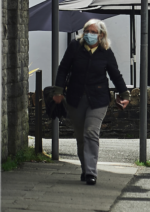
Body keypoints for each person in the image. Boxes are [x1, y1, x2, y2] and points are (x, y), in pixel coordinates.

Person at [52, 19, 130, 185]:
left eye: (93, 32)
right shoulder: (75, 47)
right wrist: (58, 90)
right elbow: (63, 69)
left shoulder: (105, 52)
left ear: (101, 35)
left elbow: (115, 74)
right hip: (76, 98)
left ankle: (91, 173)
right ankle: (85, 168)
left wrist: (125, 94)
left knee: (91, 132)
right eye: (87, 31)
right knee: (81, 137)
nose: (89, 34)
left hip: (98, 99)